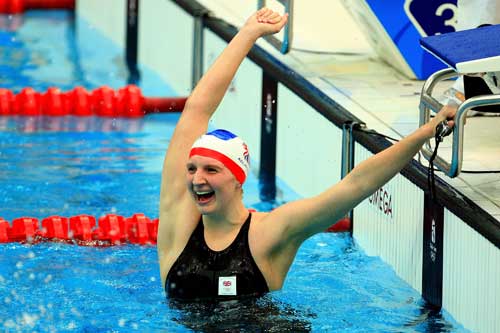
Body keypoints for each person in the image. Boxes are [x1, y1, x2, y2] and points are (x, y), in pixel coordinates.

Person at [157, 8, 457, 300]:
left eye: (211, 170)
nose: (197, 179)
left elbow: (356, 186)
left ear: (238, 180)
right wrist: (248, 33)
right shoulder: (178, 223)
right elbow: (197, 108)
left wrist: (426, 131)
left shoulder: (270, 234)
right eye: (192, 168)